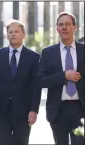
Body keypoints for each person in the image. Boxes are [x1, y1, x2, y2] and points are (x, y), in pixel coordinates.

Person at [0, 19, 41, 145]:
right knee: (2, 142)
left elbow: (36, 86)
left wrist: (34, 110)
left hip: (23, 111)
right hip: (0, 110)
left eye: (16, 31)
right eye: (10, 32)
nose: (13, 34)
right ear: (7, 35)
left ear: (23, 34)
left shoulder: (34, 57)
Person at [38, 12, 85, 145]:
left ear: (75, 27)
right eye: (61, 25)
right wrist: (64, 76)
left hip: (80, 109)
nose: (64, 27)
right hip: (58, 111)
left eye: (68, 24)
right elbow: (41, 80)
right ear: (57, 28)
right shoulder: (48, 52)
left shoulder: (83, 50)